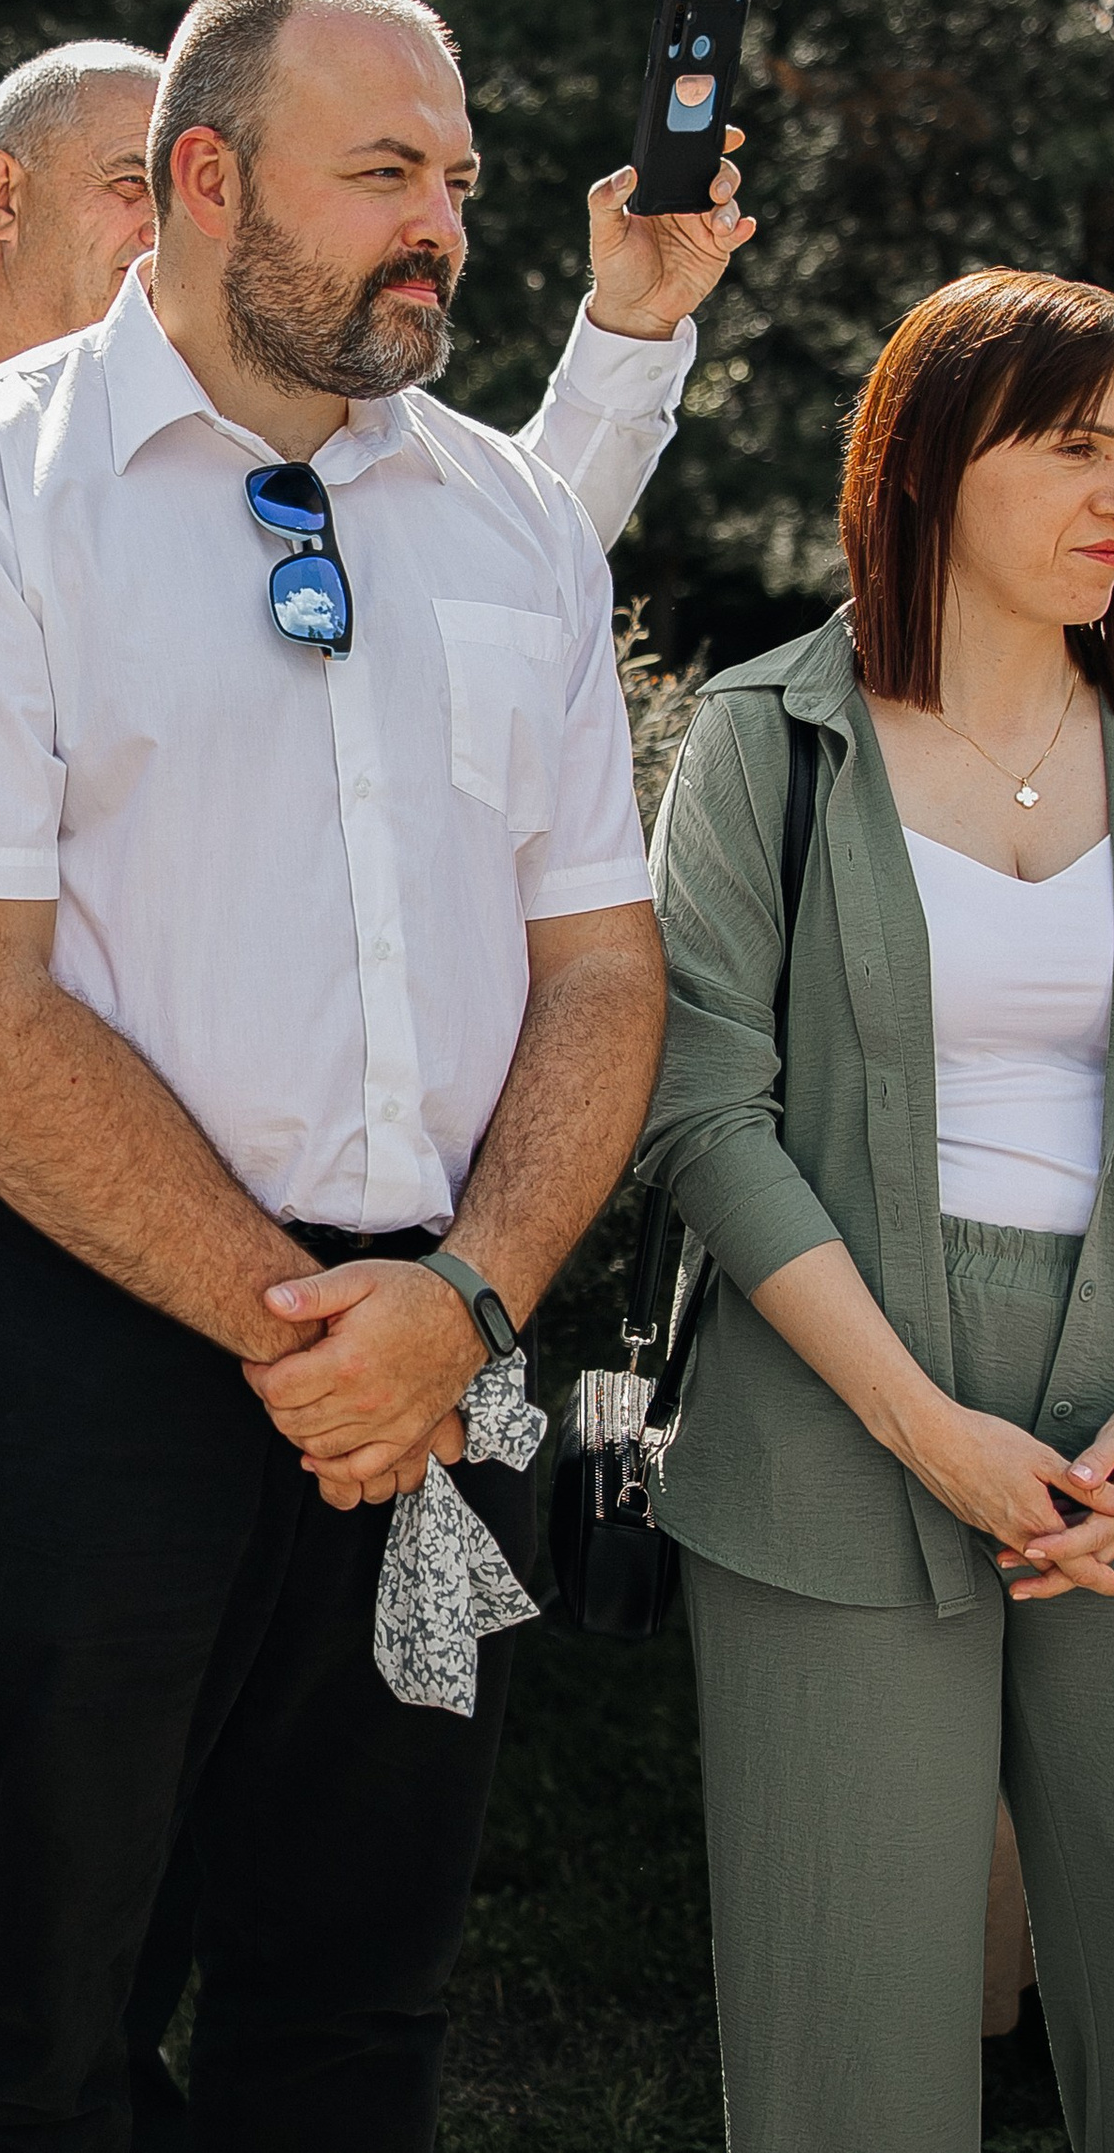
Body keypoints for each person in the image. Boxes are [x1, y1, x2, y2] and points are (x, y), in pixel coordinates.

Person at [0, 0, 702, 2150]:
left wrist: (460, 1304)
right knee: (29, 2015)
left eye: (457, 179)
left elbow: (597, 969)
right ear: (200, 181)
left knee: (353, 2003)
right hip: (72, 1344)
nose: (441, 227)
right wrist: (315, 1336)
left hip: (439, 1330)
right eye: (380, 170)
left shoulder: (499, 524)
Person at [640, 267, 1114, 2152]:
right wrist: (924, 1426)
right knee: (854, 2069)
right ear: (928, 466)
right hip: (833, 1436)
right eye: (1076, 451)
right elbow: (699, 1109)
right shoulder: (768, 736)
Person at [0, 32, 742, 743]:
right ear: (4, 196)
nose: (168, 224)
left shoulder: (258, 435)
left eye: (190, 189)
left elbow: (512, 543)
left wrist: (634, 325)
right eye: (132, 185)